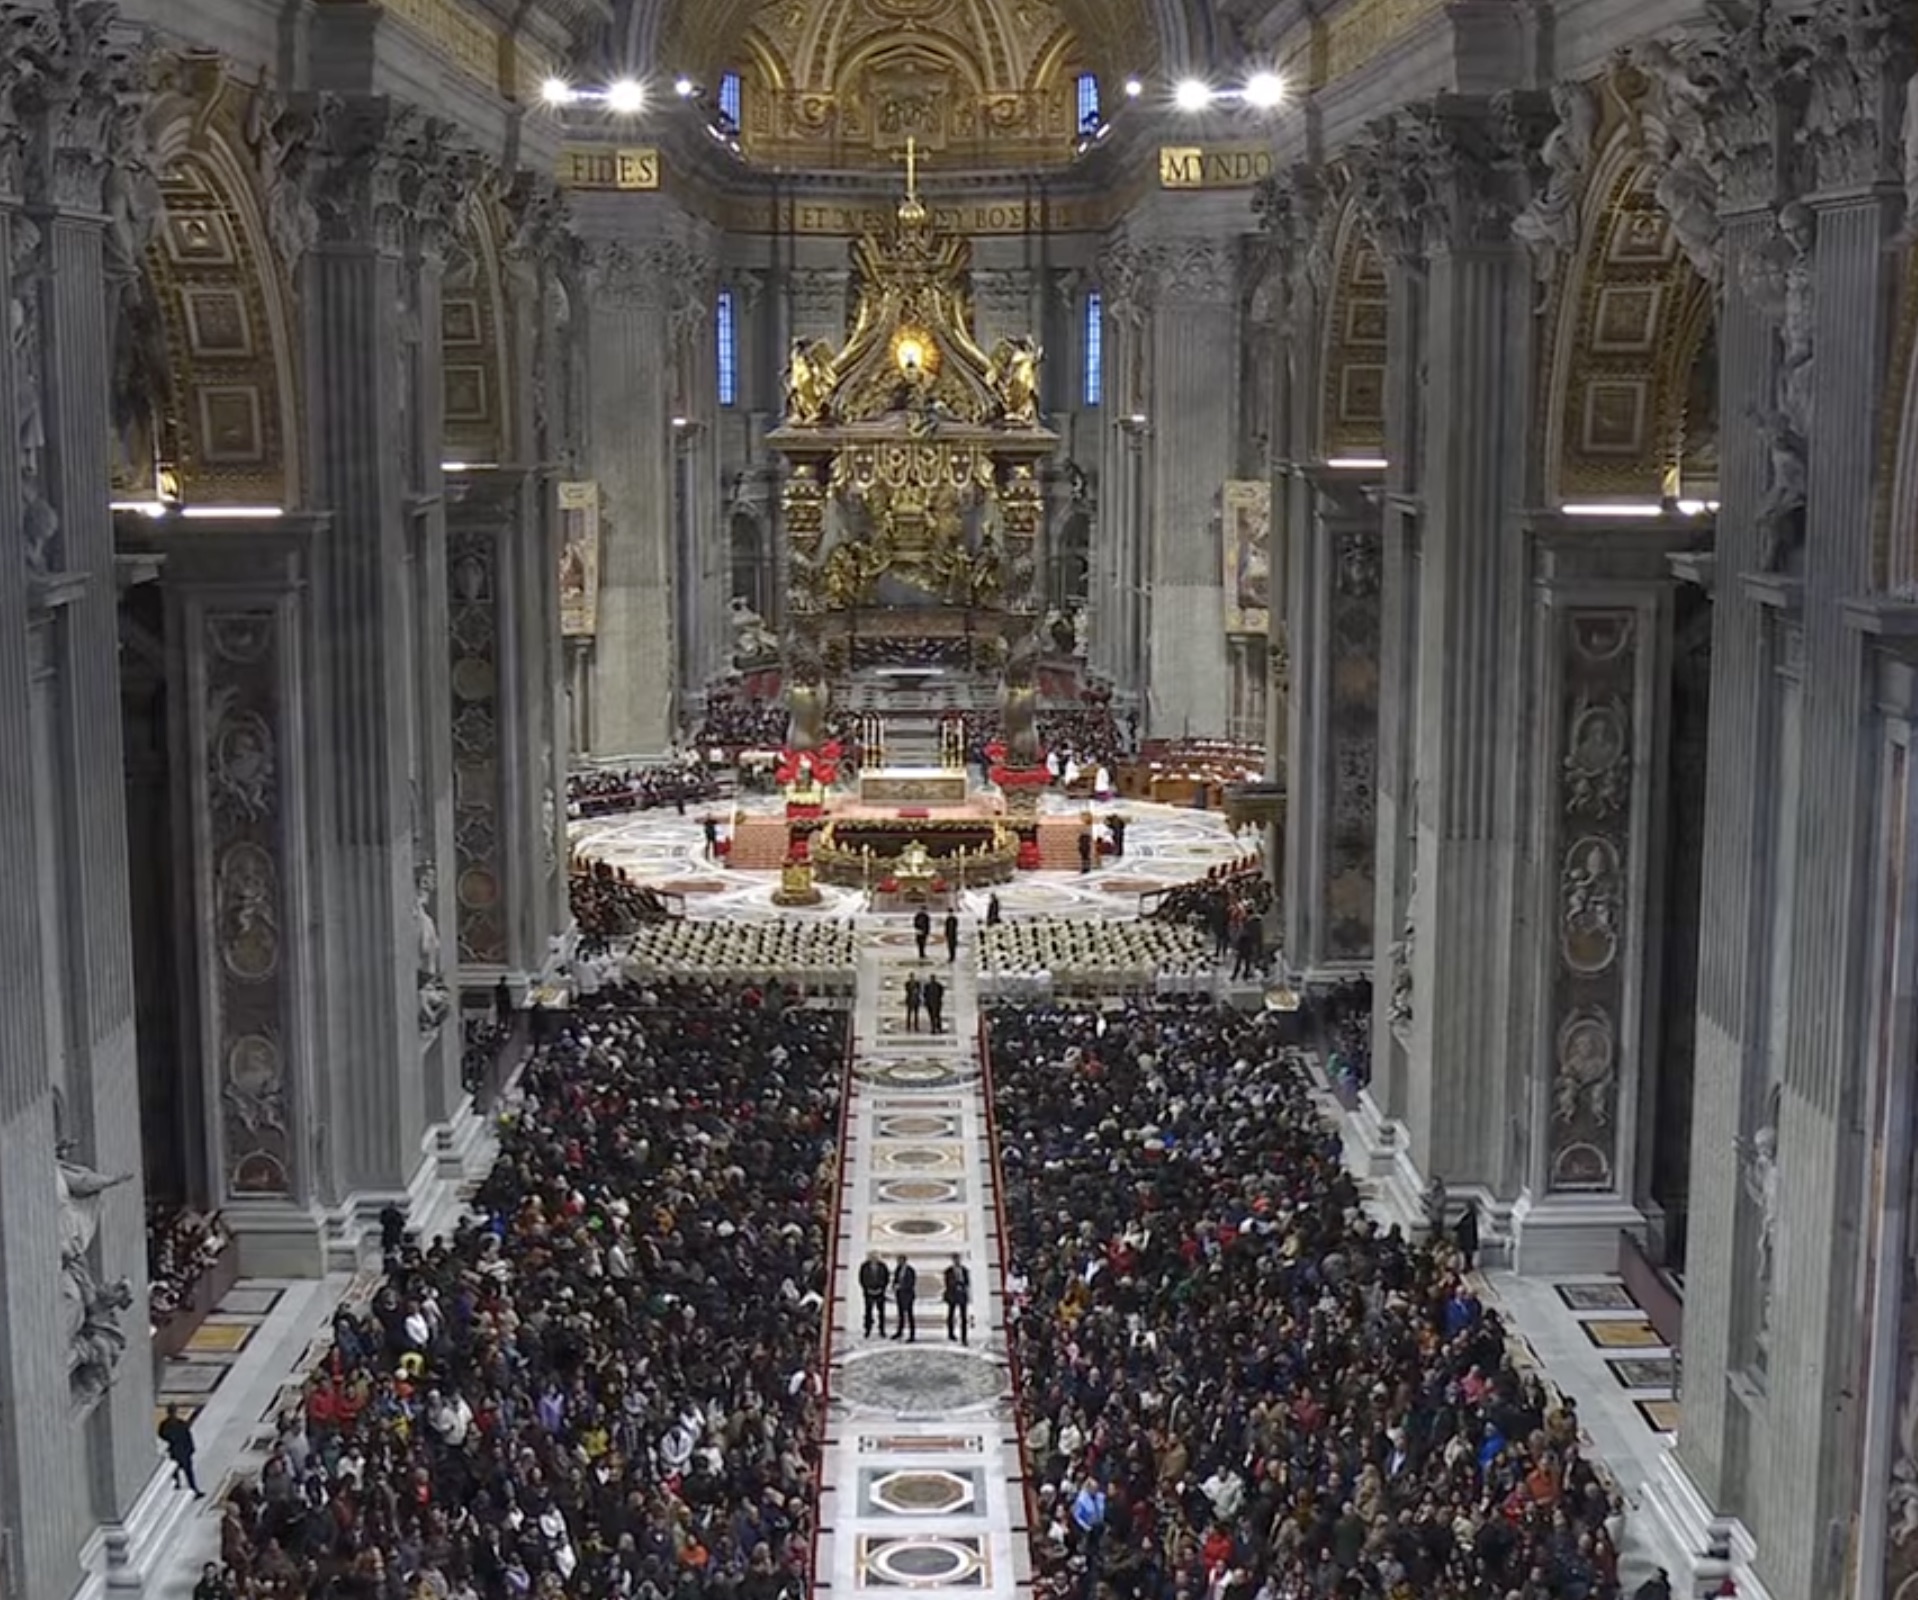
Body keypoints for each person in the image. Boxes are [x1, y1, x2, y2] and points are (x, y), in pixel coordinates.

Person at [158, 1404, 203, 1497]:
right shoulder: (165, 1425)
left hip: (184, 1451)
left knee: (189, 1472)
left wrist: (191, 1448)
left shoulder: (180, 1424)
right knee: (175, 1472)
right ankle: (177, 1488)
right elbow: (162, 1435)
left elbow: (187, 1435)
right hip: (175, 1451)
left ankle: (194, 1489)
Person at [859, 1251, 891, 1338]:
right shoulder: (864, 1266)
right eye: (872, 1257)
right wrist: (867, 1288)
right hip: (868, 1293)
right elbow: (862, 1279)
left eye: (875, 1257)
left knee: (881, 1312)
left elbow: (886, 1278)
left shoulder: (883, 1266)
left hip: (880, 1293)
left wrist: (881, 1288)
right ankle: (867, 1330)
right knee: (868, 1312)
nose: (874, 1258)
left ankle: (882, 1330)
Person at [943, 1253, 971, 1346]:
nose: (957, 1261)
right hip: (953, 1295)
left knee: (963, 1317)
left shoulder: (965, 1270)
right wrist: (956, 1285)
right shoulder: (948, 1271)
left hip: (962, 1295)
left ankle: (964, 1337)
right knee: (951, 1315)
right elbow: (947, 1283)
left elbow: (967, 1282)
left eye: (958, 1259)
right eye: (955, 1260)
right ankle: (951, 1333)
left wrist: (962, 1287)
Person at [892, 1255, 918, 1341]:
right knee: (900, 1315)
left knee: (910, 1315)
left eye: (900, 1260)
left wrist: (901, 1286)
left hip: (908, 1295)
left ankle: (912, 1334)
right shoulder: (897, 1269)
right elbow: (895, 1280)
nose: (899, 1262)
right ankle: (899, 1332)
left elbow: (911, 1283)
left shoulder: (910, 1270)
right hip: (899, 1295)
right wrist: (894, 1286)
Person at [1455, 1196, 1480, 1270]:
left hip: (1468, 1241)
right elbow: (1456, 1225)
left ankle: (1468, 1266)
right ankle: (1467, 1266)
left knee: (1468, 1258)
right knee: (1466, 1258)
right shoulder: (1466, 1216)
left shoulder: (1472, 1216)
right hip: (1465, 1240)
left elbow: (1473, 1229)